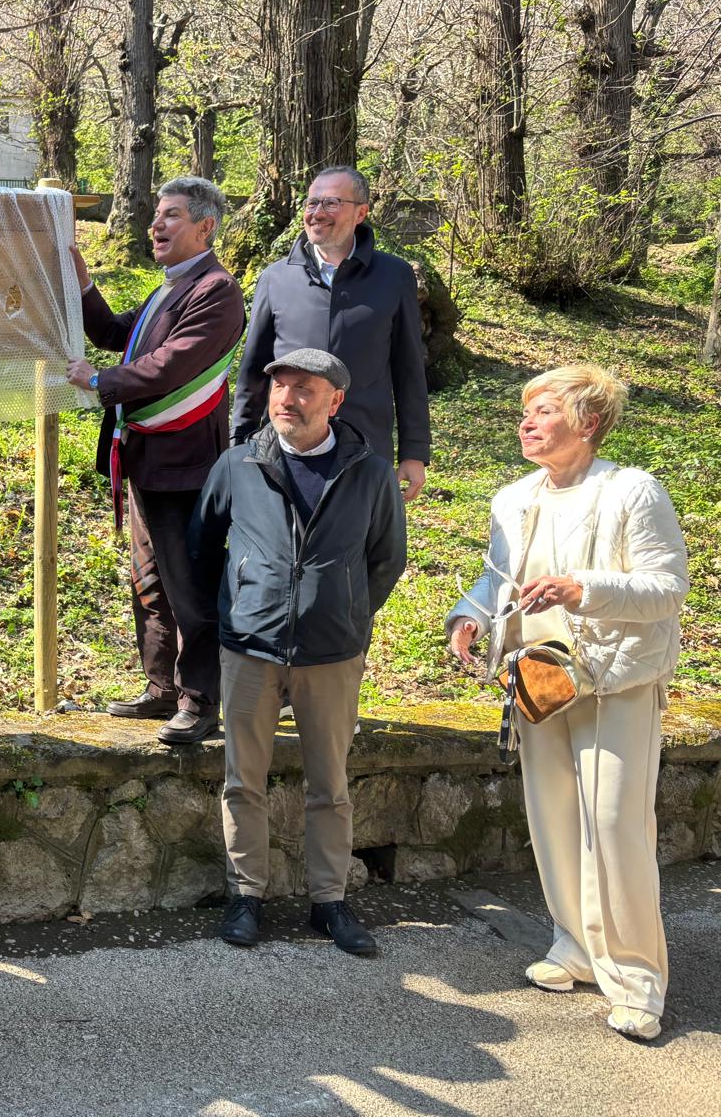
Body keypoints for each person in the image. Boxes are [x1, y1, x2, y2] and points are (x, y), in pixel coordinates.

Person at [448, 365, 686, 1042]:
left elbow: (667, 588)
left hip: (616, 681)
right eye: (525, 411)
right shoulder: (513, 496)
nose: (526, 422)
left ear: (587, 423)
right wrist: (466, 617)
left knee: (614, 824)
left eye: (543, 410)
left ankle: (638, 979)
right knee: (553, 818)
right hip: (539, 679)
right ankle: (576, 948)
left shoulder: (634, 491)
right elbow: (496, 579)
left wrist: (580, 589)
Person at [191, 349, 406, 956]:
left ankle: (329, 901)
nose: (286, 398)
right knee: (243, 779)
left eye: (304, 388)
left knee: (330, 784)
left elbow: (386, 559)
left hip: (331, 654)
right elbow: (202, 545)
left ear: (335, 401)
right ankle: (245, 896)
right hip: (250, 651)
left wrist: (343, 610)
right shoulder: (239, 465)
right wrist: (239, 608)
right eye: (279, 386)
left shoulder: (369, 471)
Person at [65, 176, 247, 746]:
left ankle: (200, 700)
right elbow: (117, 333)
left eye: (169, 215)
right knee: (150, 580)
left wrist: (99, 382)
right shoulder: (171, 286)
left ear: (205, 227)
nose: (156, 225)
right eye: (156, 215)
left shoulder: (217, 290)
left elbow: (173, 364)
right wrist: (86, 286)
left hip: (186, 465)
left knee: (189, 584)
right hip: (148, 460)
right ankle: (161, 686)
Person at [233, 165, 431, 502]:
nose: (316, 213)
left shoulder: (394, 276)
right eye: (311, 204)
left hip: (365, 447)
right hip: (286, 445)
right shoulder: (276, 278)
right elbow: (252, 370)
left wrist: (414, 451)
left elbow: (409, 368)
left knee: (360, 548)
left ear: (361, 213)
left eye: (331, 203)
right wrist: (239, 442)